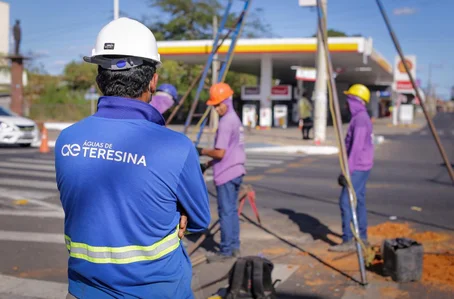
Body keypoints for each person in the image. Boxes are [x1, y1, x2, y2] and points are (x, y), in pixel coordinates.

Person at [55, 17, 210, 299]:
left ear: (99, 77)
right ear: (153, 80)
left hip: (83, 290)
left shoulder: (67, 139)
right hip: (158, 292)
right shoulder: (176, 147)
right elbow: (199, 220)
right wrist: (178, 210)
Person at [197, 82, 246, 262]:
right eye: (214, 106)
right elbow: (228, 151)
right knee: (231, 211)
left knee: (226, 212)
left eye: (218, 105)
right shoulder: (235, 118)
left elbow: (220, 152)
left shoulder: (226, 122)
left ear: (227, 101)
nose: (216, 109)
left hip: (226, 173)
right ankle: (234, 246)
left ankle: (226, 250)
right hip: (236, 169)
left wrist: (201, 151)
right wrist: (208, 164)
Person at [329, 84, 374, 252]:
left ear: (356, 100)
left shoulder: (361, 120)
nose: (346, 104)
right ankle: (362, 237)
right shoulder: (360, 118)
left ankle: (348, 240)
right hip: (362, 166)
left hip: (358, 167)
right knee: (359, 200)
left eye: (348, 100)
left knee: (346, 202)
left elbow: (356, 148)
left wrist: (346, 172)